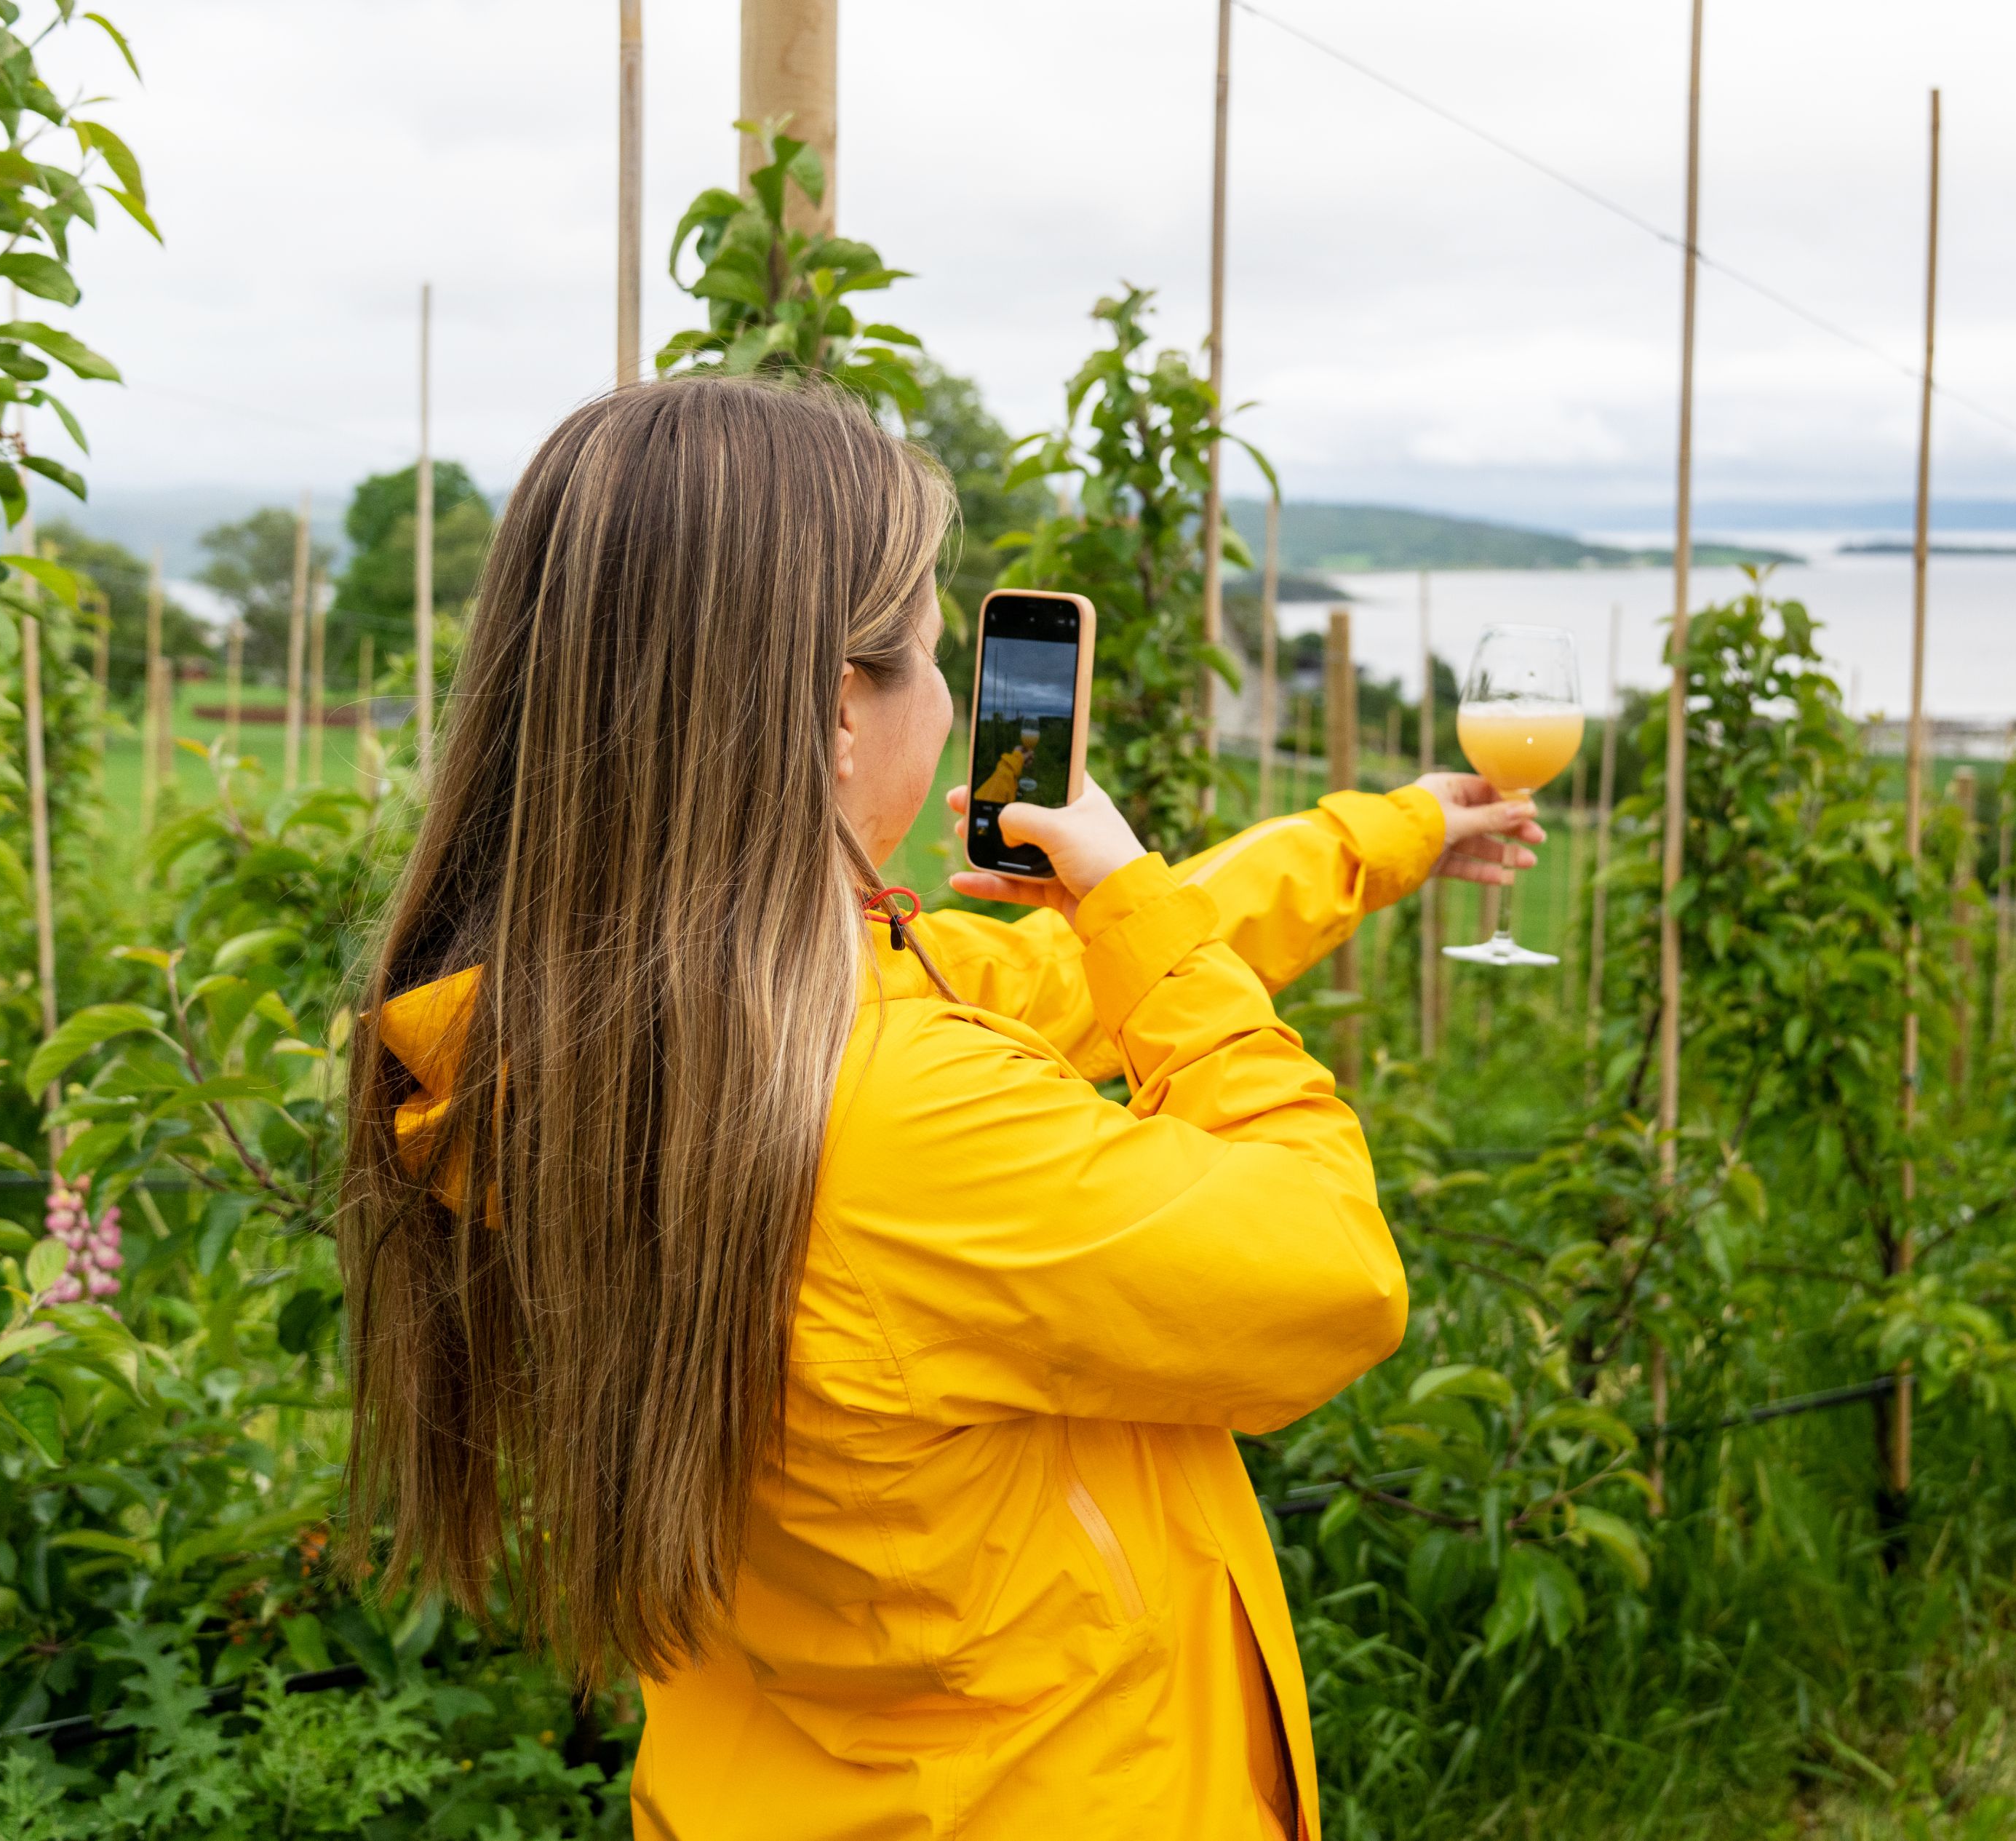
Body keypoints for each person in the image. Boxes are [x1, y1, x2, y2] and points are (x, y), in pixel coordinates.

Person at [341, 377, 1542, 1841]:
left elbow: (1054, 980)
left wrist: (1381, 834)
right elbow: (1330, 1265)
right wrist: (1131, 900)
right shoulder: (897, 1120)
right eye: (924, 654)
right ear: (845, 708)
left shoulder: (603, 1034)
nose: (956, 702)